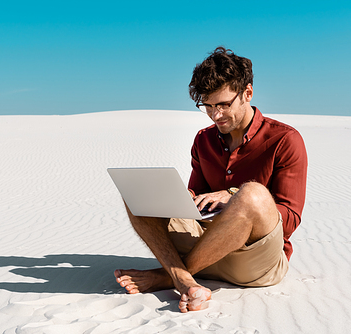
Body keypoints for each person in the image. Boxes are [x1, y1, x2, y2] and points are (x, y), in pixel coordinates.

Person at [114, 47, 308, 313]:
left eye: (224, 105)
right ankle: (184, 279)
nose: (216, 115)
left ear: (247, 93)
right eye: (207, 106)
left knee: (253, 194)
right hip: (207, 246)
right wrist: (183, 199)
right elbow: (198, 195)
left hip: (255, 260)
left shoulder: (285, 140)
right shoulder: (203, 140)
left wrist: (234, 197)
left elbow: (290, 219)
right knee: (138, 193)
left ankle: (167, 275)